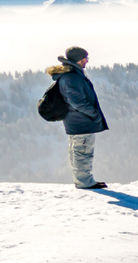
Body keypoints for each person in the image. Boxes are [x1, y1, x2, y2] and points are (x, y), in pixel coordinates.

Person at [47, 47, 109, 189]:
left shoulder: (71, 75)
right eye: (85, 58)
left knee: (79, 151)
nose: (87, 60)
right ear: (79, 59)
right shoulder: (72, 77)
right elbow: (77, 101)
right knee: (83, 152)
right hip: (81, 121)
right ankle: (84, 182)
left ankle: (83, 180)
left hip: (77, 120)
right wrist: (93, 113)